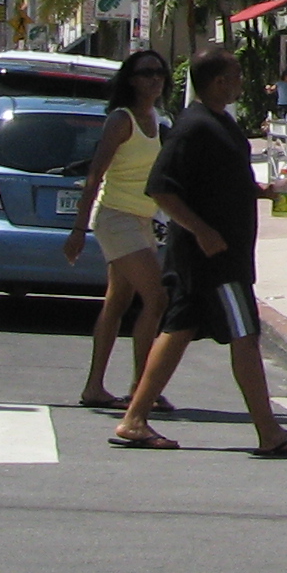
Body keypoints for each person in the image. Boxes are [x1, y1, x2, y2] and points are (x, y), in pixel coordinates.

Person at [111, 45, 287, 457]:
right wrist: (201, 230)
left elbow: (220, 183)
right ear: (219, 81)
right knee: (245, 333)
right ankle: (269, 431)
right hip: (215, 259)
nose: (242, 82)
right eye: (236, 75)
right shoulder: (193, 127)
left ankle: (134, 419)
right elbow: (162, 188)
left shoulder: (221, 124)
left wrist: (264, 191)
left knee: (179, 330)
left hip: (219, 254)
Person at [61, 48, 171, 412]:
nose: (153, 79)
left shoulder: (158, 119)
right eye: (145, 73)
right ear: (130, 79)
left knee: (118, 302)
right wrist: (78, 230)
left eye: (159, 72)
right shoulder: (121, 120)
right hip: (115, 218)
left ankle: (94, 387)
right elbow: (95, 175)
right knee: (156, 299)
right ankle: (143, 388)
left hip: (141, 219)